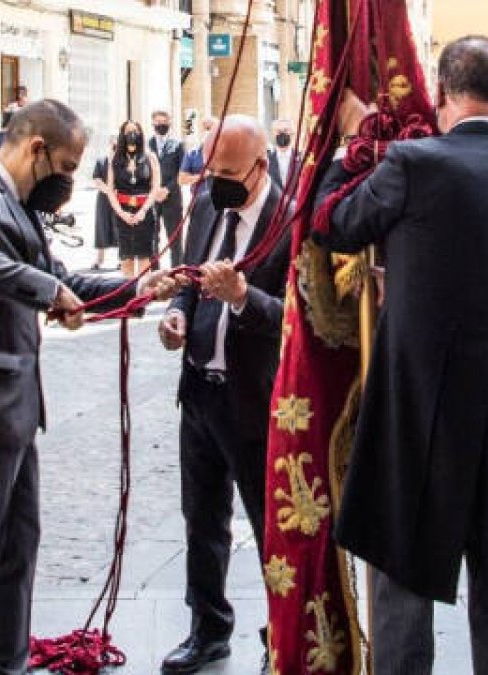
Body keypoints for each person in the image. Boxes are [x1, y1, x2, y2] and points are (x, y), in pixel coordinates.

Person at [0, 99, 182, 675]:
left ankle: (6, 666)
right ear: (36, 149)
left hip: (13, 411)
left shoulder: (17, 207)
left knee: (15, 555)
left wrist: (138, 289)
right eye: (65, 166)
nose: (67, 181)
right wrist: (45, 290)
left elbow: (64, 281)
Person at [318, 36, 488, 675]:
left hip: (422, 398)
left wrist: (351, 143)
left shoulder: (413, 163)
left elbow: (333, 224)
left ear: (443, 95)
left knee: (403, 573)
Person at [156, 115, 290, 675]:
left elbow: (298, 323)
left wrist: (241, 297)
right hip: (200, 393)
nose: (215, 183)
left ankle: (280, 637)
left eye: (228, 173)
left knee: (269, 527)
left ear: (260, 167)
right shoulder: (208, 204)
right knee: (202, 520)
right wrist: (175, 314)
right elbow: (187, 280)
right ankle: (207, 629)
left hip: (256, 399)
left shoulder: (291, 222)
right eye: (209, 170)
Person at [110, 120, 162, 276]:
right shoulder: (115, 158)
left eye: (135, 131)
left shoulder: (150, 157)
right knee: (126, 258)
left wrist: (144, 210)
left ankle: (142, 296)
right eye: (128, 132)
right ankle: (128, 296)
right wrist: (121, 213)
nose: (132, 135)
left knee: (144, 257)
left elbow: (155, 187)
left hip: (144, 212)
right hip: (123, 212)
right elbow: (110, 189)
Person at [151, 110, 187, 267]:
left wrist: (167, 189)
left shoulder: (178, 145)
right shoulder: (146, 145)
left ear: (169, 124)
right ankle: (154, 272)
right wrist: (155, 190)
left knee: (175, 239)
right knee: (151, 239)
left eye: (164, 123)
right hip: (152, 199)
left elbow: (182, 172)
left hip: (172, 198)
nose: (161, 125)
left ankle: (177, 273)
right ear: (153, 124)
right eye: (157, 123)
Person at [91, 135, 120, 269]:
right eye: (113, 142)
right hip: (104, 199)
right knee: (102, 226)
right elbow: (97, 179)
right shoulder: (102, 160)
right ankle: (99, 259)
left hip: (120, 198)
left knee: (119, 227)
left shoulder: (125, 161)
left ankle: (121, 259)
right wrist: (108, 190)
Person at [180, 115, 217, 201]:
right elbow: (181, 179)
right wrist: (201, 176)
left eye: (212, 128)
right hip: (199, 202)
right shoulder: (192, 153)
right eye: (206, 128)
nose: (209, 132)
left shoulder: (227, 154)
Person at [267, 118, 297, 189]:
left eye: (286, 130)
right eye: (278, 131)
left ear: (292, 133)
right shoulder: (266, 159)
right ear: (273, 134)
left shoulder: (302, 159)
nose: (282, 133)